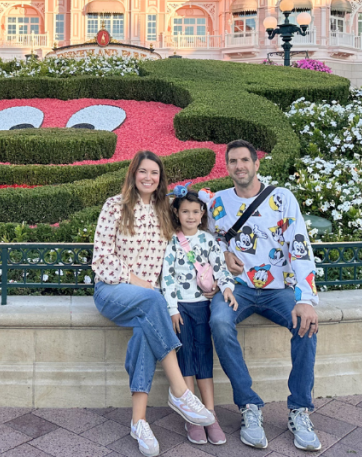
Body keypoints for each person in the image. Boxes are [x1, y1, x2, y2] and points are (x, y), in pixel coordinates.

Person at [92, 151, 216, 457]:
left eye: (155, 173)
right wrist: (137, 281)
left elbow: (189, 237)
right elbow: (101, 258)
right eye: (143, 171)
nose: (149, 177)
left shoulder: (165, 211)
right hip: (113, 290)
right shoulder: (115, 206)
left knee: (144, 334)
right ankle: (180, 391)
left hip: (151, 302)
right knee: (151, 300)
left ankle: (139, 422)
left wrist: (220, 263)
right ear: (134, 173)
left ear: (160, 179)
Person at [207, 140, 322, 452]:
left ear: (257, 164)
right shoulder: (217, 203)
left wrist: (305, 299)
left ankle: (299, 409)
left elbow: (300, 247)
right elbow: (206, 243)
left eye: (245, 160)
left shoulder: (282, 199)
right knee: (218, 321)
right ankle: (249, 405)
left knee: (306, 325)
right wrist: (224, 255)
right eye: (233, 161)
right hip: (238, 289)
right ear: (227, 166)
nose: (239, 166)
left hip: (278, 291)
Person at [162, 185, 238, 446]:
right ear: (177, 213)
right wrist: (171, 309)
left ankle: (210, 413)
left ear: (202, 212)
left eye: (196, 211)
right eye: (186, 211)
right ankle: (193, 416)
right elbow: (167, 277)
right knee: (186, 358)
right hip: (180, 309)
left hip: (202, 307)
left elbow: (220, 268)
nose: (191, 216)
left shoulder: (208, 240)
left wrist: (227, 288)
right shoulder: (171, 241)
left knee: (204, 356)